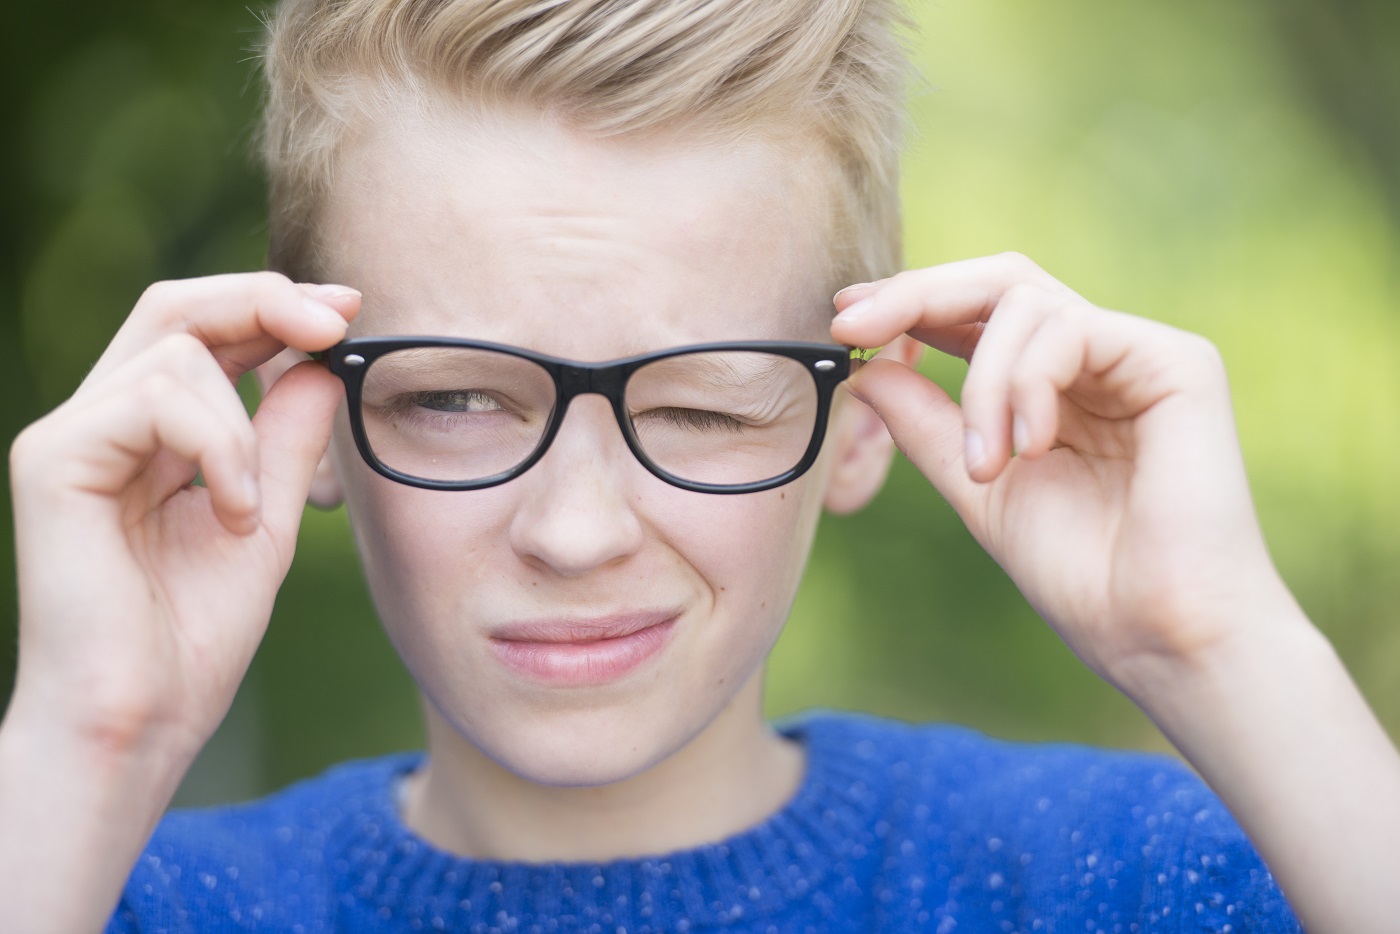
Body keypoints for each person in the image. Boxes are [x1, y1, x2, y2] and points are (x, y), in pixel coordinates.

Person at [2, 0, 1397, 930]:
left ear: (862, 416)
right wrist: (84, 741)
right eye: (459, 400)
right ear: (296, 405)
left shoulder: (1148, 880)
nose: (576, 527)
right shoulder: (106, 887)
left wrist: (1228, 646)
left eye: (709, 410)